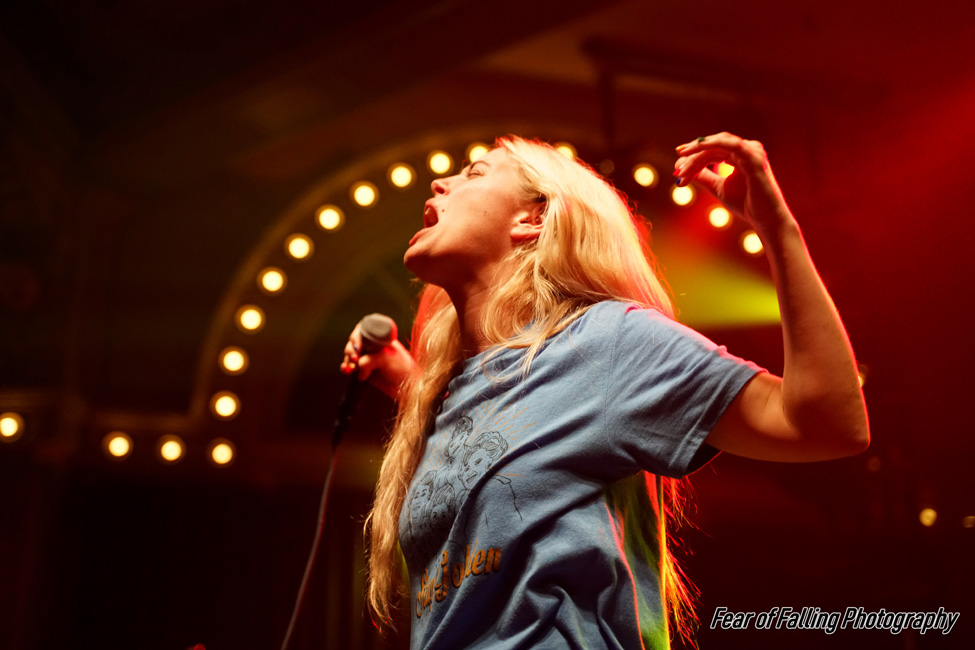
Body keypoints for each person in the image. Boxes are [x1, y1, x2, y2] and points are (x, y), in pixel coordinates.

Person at [340, 133, 869, 649]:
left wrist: (778, 229)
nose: (439, 182)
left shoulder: (606, 342)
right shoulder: (452, 392)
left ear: (533, 218)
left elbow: (823, 424)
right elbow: (509, 439)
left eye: (474, 173)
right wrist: (411, 384)